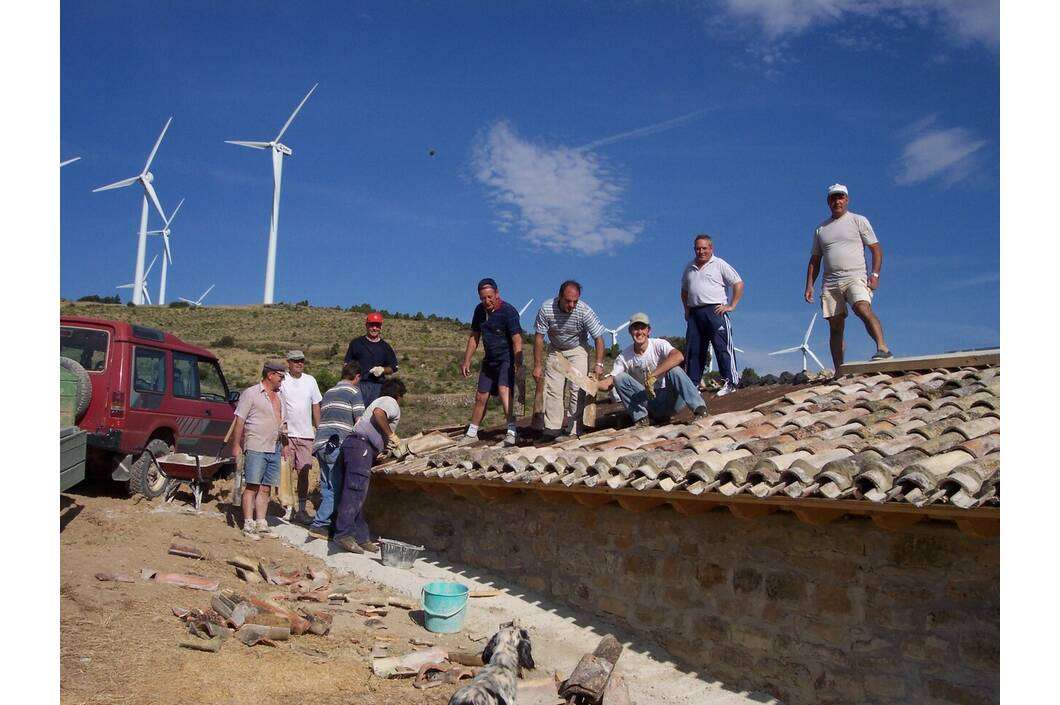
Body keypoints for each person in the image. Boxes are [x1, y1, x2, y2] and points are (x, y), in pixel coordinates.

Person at [804, 183, 891, 370]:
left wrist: (875, 274)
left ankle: (882, 348)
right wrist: (809, 285)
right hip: (830, 281)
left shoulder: (858, 220)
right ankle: (839, 369)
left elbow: (876, 249)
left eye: (841, 197)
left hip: (855, 275)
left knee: (862, 308)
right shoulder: (821, 229)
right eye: (834, 198)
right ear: (828, 201)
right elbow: (815, 260)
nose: (837, 201)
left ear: (847, 199)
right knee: (835, 325)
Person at [333, 378, 408, 554]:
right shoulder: (389, 401)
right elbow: (379, 414)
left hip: (356, 446)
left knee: (358, 493)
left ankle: (361, 536)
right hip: (361, 446)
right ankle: (343, 534)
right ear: (399, 395)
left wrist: (381, 449)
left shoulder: (379, 400)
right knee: (355, 491)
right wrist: (391, 435)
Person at [597, 313, 708, 426]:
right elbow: (610, 381)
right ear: (630, 331)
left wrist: (653, 375)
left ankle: (700, 410)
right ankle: (642, 419)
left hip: (670, 398)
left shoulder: (659, 344)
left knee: (675, 370)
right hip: (649, 401)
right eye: (635, 328)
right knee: (619, 378)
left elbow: (678, 356)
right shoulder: (623, 357)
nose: (639, 332)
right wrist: (593, 385)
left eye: (642, 328)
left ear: (649, 330)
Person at [533, 280, 607, 439]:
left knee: (577, 389)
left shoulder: (584, 311)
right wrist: (537, 365)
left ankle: (573, 430)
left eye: (575, 301)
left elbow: (599, 338)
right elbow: (539, 337)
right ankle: (552, 429)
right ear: (559, 296)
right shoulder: (546, 309)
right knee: (553, 389)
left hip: (577, 349)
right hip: (556, 349)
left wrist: (599, 364)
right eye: (568, 301)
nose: (572, 305)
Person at [461, 278, 523, 446]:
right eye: (483, 298)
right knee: (481, 396)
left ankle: (512, 432)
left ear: (497, 294)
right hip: (489, 360)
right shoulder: (479, 311)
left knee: (504, 391)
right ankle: (472, 433)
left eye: (489, 297)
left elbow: (517, 339)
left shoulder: (508, 311)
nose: (487, 301)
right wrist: (467, 360)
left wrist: (518, 363)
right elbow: (474, 336)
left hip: (506, 359)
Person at [307, 361, 365, 539]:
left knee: (327, 486)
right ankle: (321, 524)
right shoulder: (354, 392)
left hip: (321, 444)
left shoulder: (330, 392)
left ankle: (326, 525)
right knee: (336, 488)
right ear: (357, 377)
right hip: (336, 444)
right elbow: (360, 422)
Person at [681, 234, 744, 396]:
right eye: (698, 249)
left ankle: (730, 381)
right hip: (695, 313)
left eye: (704, 248)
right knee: (694, 350)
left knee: (722, 347)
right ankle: (693, 385)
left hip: (715, 310)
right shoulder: (689, 267)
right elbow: (684, 291)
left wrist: (731, 305)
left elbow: (738, 283)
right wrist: (686, 310)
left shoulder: (719, 264)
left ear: (711, 248)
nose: (701, 252)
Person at [230, 360, 288, 540]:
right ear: (270, 375)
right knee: (252, 485)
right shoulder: (251, 393)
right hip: (256, 445)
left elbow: (282, 422)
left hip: (274, 446)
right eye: (280, 376)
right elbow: (240, 420)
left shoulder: (280, 396)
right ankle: (248, 523)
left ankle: (261, 522)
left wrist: (285, 445)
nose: (282, 380)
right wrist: (236, 444)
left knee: (265, 487)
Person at [279, 350, 322, 525]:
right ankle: (288, 508)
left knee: (304, 472)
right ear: (288, 362)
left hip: (306, 434)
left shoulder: (310, 380)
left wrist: (319, 429)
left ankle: (302, 510)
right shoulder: (282, 380)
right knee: (286, 472)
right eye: (295, 360)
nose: (299, 363)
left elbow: (316, 405)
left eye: (301, 360)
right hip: (287, 434)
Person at [344, 312, 399, 405]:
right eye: (371, 325)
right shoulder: (356, 343)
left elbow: (394, 367)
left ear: (381, 327)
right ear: (366, 325)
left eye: (377, 325)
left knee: (375, 412)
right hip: (358, 385)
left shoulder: (385, 347)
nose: (374, 328)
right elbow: (347, 365)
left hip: (379, 387)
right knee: (358, 412)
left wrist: (383, 370)